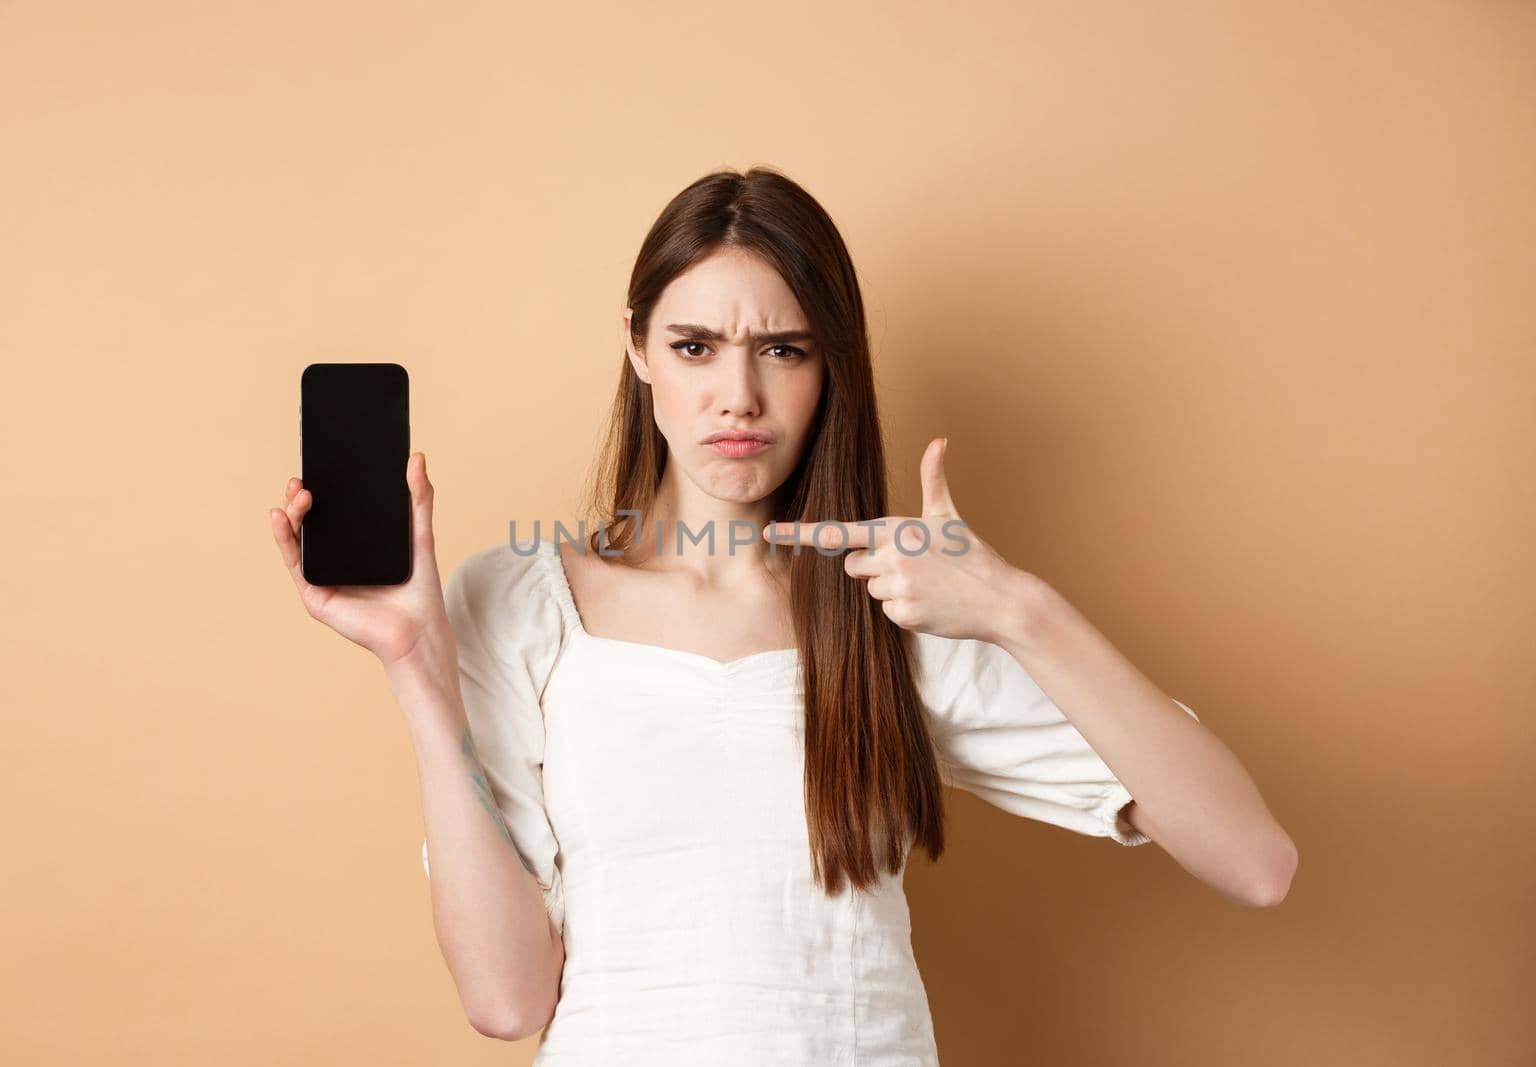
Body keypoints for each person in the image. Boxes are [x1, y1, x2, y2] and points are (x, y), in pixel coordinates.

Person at [269, 166, 1297, 1064]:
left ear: (831, 363)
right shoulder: (517, 600)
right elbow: (505, 998)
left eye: (786, 350)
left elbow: (1253, 859)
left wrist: (1019, 608)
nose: (739, 395)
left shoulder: (896, 599)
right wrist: (417, 664)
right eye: (696, 344)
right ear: (637, 349)